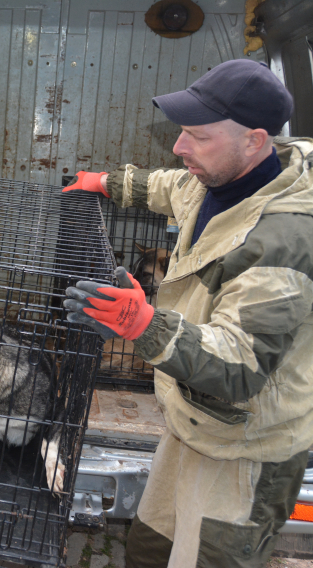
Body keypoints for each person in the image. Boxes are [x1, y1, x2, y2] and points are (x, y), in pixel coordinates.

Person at [62, 59, 313, 567]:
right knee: (150, 549)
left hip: (246, 445)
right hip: (191, 422)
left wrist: (143, 325)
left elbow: (240, 368)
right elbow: (166, 185)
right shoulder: (217, 180)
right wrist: (104, 181)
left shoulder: (282, 242)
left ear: (255, 139)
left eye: (197, 135)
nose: (179, 147)